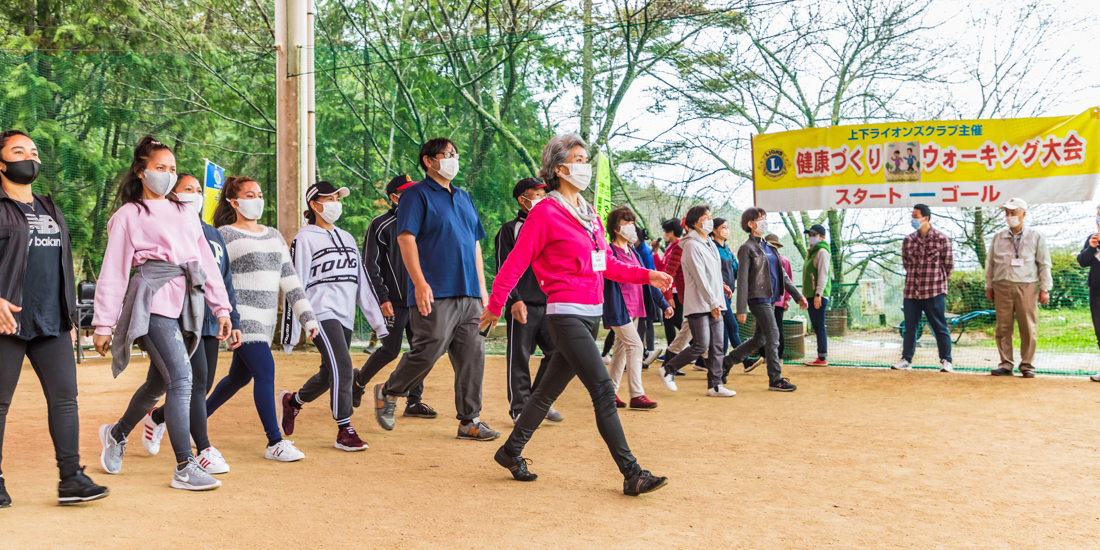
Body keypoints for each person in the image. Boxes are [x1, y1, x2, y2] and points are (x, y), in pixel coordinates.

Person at [479, 133, 671, 496]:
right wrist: (495, 305)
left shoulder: (590, 215)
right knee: (601, 389)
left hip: (590, 315)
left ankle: (510, 451)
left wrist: (648, 275)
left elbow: (607, 264)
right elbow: (514, 264)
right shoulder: (545, 213)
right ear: (559, 167)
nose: (586, 165)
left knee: (543, 394)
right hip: (565, 315)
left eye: (586, 159)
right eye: (579, 159)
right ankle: (632, 474)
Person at [93, 136, 232, 491]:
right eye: (160, 168)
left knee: (159, 383)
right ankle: (185, 465)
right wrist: (104, 323)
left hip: (188, 304)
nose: (167, 175)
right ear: (141, 171)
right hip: (152, 301)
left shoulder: (185, 212)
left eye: (172, 169)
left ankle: (117, 433)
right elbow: (114, 270)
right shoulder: (128, 215)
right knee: (182, 379)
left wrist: (221, 307)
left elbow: (204, 264)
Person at [0, 129, 108, 507]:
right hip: (7, 322)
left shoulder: (50, 208)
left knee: (65, 400)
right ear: (1, 162)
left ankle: (71, 479)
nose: (28, 156)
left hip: (52, 319)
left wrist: (70, 313)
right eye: (18, 151)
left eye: (32, 151)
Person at [373, 138, 500, 441]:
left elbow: (475, 245)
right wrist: (419, 283)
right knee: (428, 350)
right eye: (447, 155)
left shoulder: (465, 197)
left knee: (473, 355)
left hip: (469, 292)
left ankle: (469, 421)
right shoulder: (415, 195)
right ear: (429, 161)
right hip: (435, 290)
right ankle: (389, 391)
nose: (453, 159)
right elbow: (406, 238)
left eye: (456, 154)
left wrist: (483, 290)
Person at [204, 176, 317, 462]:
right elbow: (215, 279)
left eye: (260, 194)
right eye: (250, 194)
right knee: (265, 371)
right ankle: (274, 442)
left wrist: (308, 319)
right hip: (240, 319)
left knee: (236, 378)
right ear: (234, 201)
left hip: (266, 323)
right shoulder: (224, 235)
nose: (257, 199)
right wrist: (224, 315)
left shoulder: (274, 235)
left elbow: (290, 281)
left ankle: (168, 417)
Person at [141, 173, 244, 475]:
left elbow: (223, 279)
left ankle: (157, 418)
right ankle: (204, 448)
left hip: (212, 318)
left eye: (199, 190)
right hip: (182, 319)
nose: (196, 194)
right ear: (172, 193)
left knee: (195, 384)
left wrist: (230, 317)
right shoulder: (164, 227)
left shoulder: (212, 232)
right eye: (189, 189)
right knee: (196, 383)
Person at [279, 181, 389, 452]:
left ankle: (293, 402)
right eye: (329, 199)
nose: (335, 203)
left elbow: (361, 282)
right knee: (343, 366)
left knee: (330, 373)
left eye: (337, 198)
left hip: (344, 315)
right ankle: (344, 428)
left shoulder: (348, 237)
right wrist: (296, 328)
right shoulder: (304, 238)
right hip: (319, 313)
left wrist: (379, 323)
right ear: (314, 205)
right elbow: (295, 283)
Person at [351, 175, 436, 417]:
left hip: (420, 298)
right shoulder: (381, 224)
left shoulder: (425, 221)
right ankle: (358, 382)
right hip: (394, 302)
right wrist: (382, 298)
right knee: (390, 350)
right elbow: (370, 265)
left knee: (422, 350)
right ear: (394, 198)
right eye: (406, 193)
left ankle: (414, 401)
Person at [496, 177, 563, 423]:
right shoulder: (509, 229)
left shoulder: (552, 226)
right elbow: (504, 266)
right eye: (535, 194)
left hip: (551, 303)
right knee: (519, 356)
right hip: (521, 304)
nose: (540, 198)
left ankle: (539, 401)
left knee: (559, 352)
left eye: (542, 193)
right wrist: (513, 299)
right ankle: (519, 408)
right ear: (522, 199)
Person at [724, 208, 807, 392]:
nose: (764, 221)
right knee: (773, 334)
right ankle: (775, 379)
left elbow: (783, 276)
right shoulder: (747, 248)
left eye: (765, 218)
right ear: (751, 224)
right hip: (757, 298)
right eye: (760, 219)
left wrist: (798, 295)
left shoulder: (770, 248)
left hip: (771, 298)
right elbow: (743, 278)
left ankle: (725, 363)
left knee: (760, 338)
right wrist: (741, 308)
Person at [656, 205, 732, 396]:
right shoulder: (690, 245)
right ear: (694, 222)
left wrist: (721, 286)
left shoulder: (710, 243)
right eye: (706, 217)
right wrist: (713, 302)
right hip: (699, 303)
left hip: (715, 300)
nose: (709, 220)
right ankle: (668, 369)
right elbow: (699, 277)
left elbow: (712, 273)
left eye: (710, 216)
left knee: (716, 345)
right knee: (701, 344)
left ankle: (715, 385)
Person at [603, 206, 671, 409]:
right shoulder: (609, 251)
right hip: (618, 307)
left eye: (633, 223)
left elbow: (647, 278)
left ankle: (610, 393)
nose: (632, 227)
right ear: (616, 228)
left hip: (635, 307)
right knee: (636, 346)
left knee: (620, 351)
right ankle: (637, 394)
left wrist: (663, 303)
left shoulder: (633, 252)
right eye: (627, 223)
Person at [985, 198, 1051, 378]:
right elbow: (990, 263)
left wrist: (1045, 288)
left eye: (1013, 212)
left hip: (1026, 287)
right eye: (1007, 212)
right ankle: (1005, 364)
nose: (1009, 216)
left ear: (1024, 214)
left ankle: (1027, 365)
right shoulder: (998, 236)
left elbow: (1044, 264)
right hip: (1001, 287)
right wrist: (989, 286)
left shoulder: (1036, 236)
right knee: (1003, 327)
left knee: (1028, 327)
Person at [892, 204, 954, 372]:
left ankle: (946, 361)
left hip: (934, 291)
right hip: (912, 291)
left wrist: (938, 283)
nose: (913, 219)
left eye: (915, 216)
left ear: (925, 218)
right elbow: (906, 264)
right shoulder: (908, 240)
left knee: (940, 327)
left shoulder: (942, 239)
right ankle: (906, 359)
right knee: (910, 327)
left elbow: (948, 266)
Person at [743, 233, 795, 375]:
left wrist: (787, 299)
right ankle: (764, 355)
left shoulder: (783, 261)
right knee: (762, 330)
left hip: (778, 301)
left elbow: (788, 279)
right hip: (762, 299)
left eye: (775, 246)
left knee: (776, 329)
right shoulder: (761, 259)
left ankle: (778, 357)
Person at [711, 218, 742, 356]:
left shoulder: (727, 250)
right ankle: (744, 359)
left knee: (723, 330)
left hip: (728, 295)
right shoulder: (712, 248)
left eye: (727, 227)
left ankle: (720, 362)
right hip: (719, 295)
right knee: (732, 327)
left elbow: (736, 270)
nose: (726, 230)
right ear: (714, 230)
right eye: (723, 227)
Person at [802, 223, 830, 367]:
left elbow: (823, 275)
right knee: (817, 325)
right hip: (811, 295)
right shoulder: (812, 251)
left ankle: (822, 357)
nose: (811, 238)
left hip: (818, 295)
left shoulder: (822, 252)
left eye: (814, 235)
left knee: (819, 325)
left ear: (822, 237)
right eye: (810, 235)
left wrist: (818, 293)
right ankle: (820, 356)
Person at [1078, 206, 1100, 382]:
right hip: (1097, 292)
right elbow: (1083, 262)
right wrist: (1092, 247)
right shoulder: (1092, 238)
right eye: (1098, 217)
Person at [658, 218, 685, 361]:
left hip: (675, 290)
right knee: (668, 321)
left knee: (676, 320)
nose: (664, 234)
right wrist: (656, 253)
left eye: (665, 231)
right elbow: (662, 267)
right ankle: (671, 353)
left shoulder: (679, 246)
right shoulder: (669, 248)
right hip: (667, 288)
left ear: (672, 231)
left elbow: (673, 270)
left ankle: (696, 347)